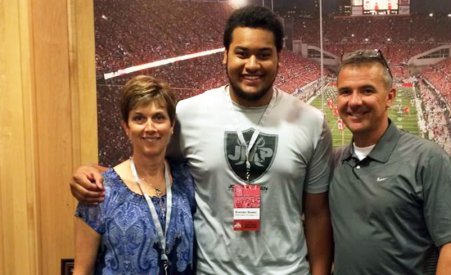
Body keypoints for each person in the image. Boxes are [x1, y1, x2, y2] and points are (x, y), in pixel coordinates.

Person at [71, 6, 333, 275]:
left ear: (280, 58)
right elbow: (148, 164)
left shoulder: (311, 122)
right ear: (225, 56)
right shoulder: (188, 113)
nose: (252, 65)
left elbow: (316, 214)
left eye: (264, 55)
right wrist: (96, 173)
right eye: (242, 53)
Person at [329, 49, 451, 275]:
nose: (355, 101)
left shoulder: (428, 159)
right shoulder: (334, 162)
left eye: (367, 90)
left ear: (390, 96)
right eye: (345, 92)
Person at [73, 75, 195, 275]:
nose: (150, 127)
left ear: (171, 125)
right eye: (139, 118)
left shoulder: (185, 181)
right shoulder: (100, 191)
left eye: (159, 117)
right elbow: (81, 271)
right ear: (126, 127)